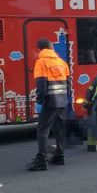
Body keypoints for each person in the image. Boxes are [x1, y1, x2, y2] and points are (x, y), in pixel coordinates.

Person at [26, 38, 71, 171]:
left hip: (49, 102)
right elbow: (68, 84)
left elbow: (41, 84)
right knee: (58, 129)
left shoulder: (41, 62)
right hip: (62, 101)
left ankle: (41, 160)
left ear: (40, 49)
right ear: (51, 47)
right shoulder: (62, 62)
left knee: (42, 130)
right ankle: (60, 155)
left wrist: (40, 101)